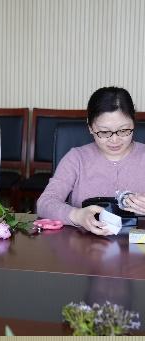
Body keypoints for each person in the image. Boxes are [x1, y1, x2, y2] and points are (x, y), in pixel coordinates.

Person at [37, 87, 145, 234]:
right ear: (90, 127)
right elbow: (45, 203)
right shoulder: (76, 158)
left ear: (134, 123)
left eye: (123, 130)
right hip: (83, 244)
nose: (114, 140)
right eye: (104, 132)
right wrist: (77, 215)